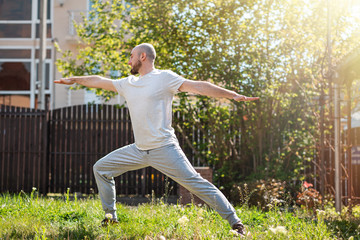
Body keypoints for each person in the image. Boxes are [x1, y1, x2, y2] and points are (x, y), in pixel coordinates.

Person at [55, 43, 259, 236]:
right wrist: (74, 79)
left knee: (196, 183)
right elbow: (99, 80)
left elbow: (199, 87)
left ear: (142, 57)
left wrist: (233, 95)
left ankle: (236, 223)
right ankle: (110, 218)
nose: (129, 61)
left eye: (131, 56)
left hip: (165, 149)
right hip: (138, 150)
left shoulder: (164, 78)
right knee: (101, 168)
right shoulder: (128, 83)